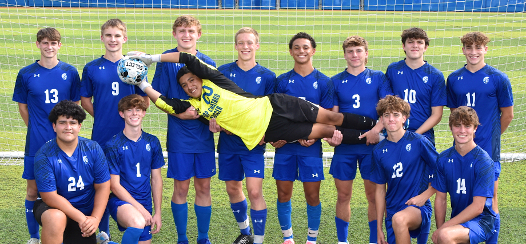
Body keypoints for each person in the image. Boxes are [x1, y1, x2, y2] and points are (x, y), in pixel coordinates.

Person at [125, 51, 376, 155]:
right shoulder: (197, 108)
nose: (190, 86)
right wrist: (141, 83)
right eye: (185, 86)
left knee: (332, 118)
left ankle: (375, 125)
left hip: (275, 105)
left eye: (192, 80)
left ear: (200, 78)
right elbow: (166, 104)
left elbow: (187, 58)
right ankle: (375, 137)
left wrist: (151, 58)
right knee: (327, 131)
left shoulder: (215, 80)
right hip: (270, 130)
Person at [431, 107, 526, 244]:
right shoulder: (443, 159)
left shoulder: (484, 160)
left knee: (447, 237)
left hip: (483, 221)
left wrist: (444, 231)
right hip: (459, 222)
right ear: (450, 128)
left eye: (467, 126)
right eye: (457, 125)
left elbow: (478, 208)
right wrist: (441, 230)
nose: (462, 130)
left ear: (475, 129)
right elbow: (440, 199)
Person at [151, 15, 219, 244]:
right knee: (181, 187)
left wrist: (213, 119)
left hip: (203, 137)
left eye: (190, 31)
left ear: (198, 34)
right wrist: (178, 114)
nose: (186, 35)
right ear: (174, 34)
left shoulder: (207, 62)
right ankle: (182, 241)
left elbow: (215, 97)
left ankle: (203, 238)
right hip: (179, 136)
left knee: (203, 186)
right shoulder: (165, 60)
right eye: (181, 31)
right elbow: (156, 96)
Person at [446, 31, 514, 244]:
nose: (473, 52)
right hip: (462, 151)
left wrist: (490, 137)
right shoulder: (454, 79)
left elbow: (508, 115)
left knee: (490, 201)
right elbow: (456, 117)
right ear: (463, 50)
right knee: (464, 198)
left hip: (487, 151)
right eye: (468, 47)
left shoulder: (498, 78)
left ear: (486, 49)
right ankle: (470, 241)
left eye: (478, 47)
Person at [13, 27, 81, 244]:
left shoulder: (70, 72)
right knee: (33, 191)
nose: (49, 47)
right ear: (38, 45)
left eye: (53, 43)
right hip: (36, 143)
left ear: (59, 45)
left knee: (65, 189)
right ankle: (34, 238)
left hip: (65, 144)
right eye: (44, 43)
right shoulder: (26, 73)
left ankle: (73, 233)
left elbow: (74, 107)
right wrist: (36, 128)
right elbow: (23, 107)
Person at [267, 32, 334, 244]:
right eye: (297, 47)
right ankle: (288, 240)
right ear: (291, 51)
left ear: (313, 50)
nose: (301, 51)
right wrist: (277, 136)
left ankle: (311, 242)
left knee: (312, 195)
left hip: (310, 147)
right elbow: (274, 112)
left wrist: (314, 136)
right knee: (283, 193)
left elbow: (328, 116)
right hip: (285, 146)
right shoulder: (282, 81)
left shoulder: (324, 81)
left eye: (306, 47)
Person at [33, 101, 110, 244]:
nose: (68, 127)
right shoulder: (44, 154)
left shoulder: (93, 148)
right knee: (55, 218)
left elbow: (103, 187)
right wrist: (80, 218)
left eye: (73, 122)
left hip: (83, 212)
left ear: (79, 126)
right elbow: (50, 196)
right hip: (54, 207)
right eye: (63, 122)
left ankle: (55, 242)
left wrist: (94, 219)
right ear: (54, 126)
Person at [81, 18, 149, 238]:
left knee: (128, 182)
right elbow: (85, 99)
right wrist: (101, 116)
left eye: (117, 36)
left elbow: (144, 102)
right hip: (101, 135)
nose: (113, 39)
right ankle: (102, 233)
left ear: (125, 39)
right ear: (102, 38)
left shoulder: (135, 66)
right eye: (108, 35)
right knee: (100, 184)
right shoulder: (91, 68)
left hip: (128, 136)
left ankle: (136, 226)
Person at [371, 95, 442, 244]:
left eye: (396, 114)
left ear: (404, 118)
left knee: (401, 219)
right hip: (392, 212)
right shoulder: (378, 151)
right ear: (382, 120)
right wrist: (378, 228)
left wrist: (425, 195)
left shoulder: (419, 142)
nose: (391, 119)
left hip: (417, 209)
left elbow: (441, 171)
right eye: (386, 115)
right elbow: (379, 191)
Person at [327, 35, 392, 244]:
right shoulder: (335, 81)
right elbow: (333, 116)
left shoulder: (378, 78)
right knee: (343, 194)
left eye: (358, 51)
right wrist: (331, 136)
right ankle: (342, 241)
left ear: (366, 53)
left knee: (373, 196)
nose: (354, 55)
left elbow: (387, 108)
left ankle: (374, 242)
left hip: (371, 146)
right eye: (350, 51)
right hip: (345, 146)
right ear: (344, 55)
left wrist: (377, 130)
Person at [384, 27, 446, 244]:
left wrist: (414, 135)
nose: (415, 46)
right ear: (404, 46)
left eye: (420, 42)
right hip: (394, 137)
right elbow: (389, 105)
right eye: (410, 42)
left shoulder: (435, 75)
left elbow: (436, 114)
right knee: (396, 183)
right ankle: (396, 240)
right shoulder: (393, 70)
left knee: (423, 186)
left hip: (422, 139)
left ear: (425, 47)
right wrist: (398, 133)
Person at [216, 27, 276, 244]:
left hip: (253, 144)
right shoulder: (223, 72)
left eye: (250, 42)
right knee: (233, 189)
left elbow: (273, 110)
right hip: (229, 143)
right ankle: (245, 233)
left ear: (257, 46)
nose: (245, 46)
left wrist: (266, 134)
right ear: (235, 46)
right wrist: (217, 121)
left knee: (254, 192)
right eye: (241, 43)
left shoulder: (268, 76)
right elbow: (215, 103)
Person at [98, 94, 165, 244]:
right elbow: (115, 185)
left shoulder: (152, 142)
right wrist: (141, 210)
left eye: (138, 109)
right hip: (120, 201)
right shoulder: (113, 145)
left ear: (144, 113)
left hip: (144, 201)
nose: (134, 113)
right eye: (129, 110)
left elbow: (156, 178)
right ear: (122, 114)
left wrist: (157, 212)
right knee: (136, 221)